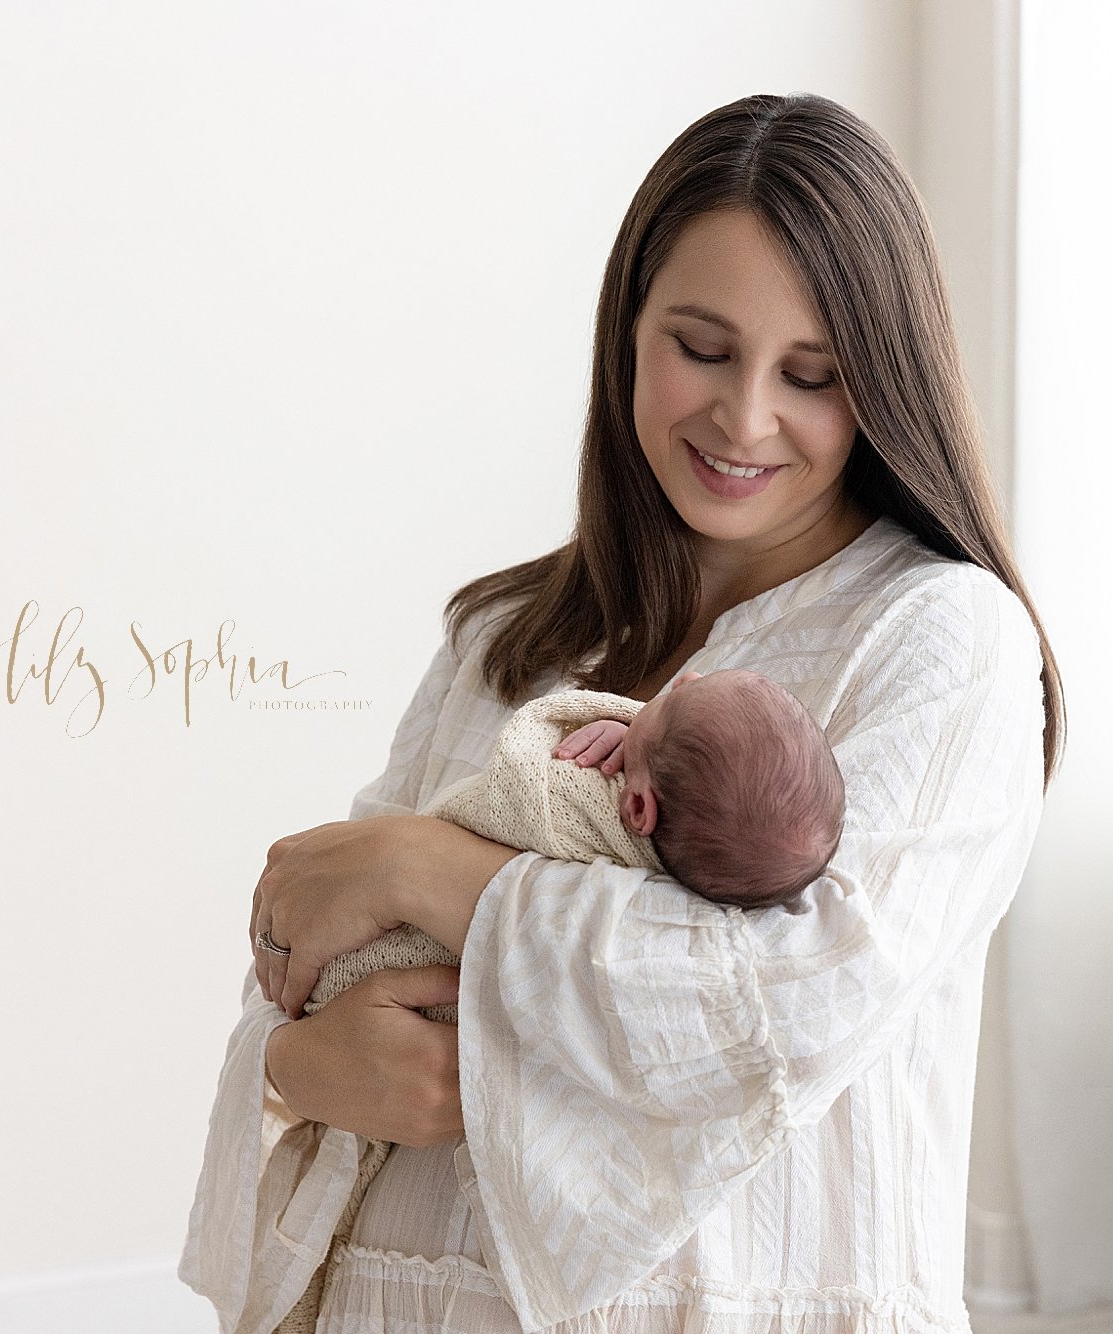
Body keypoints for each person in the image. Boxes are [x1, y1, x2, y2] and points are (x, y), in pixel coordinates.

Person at [180, 90, 1067, 1334]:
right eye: (700, 347)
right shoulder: (506, 636)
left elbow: (784, 1007)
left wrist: (433, 868)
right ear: (626, 331)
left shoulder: (940, 638)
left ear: (883, 386)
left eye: (811, 375)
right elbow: (308, 954)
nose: (744, 416)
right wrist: (290, 1065)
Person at [259, 668, 841, 1334]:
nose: (683, 679)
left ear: (640, 811)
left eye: (671, 702)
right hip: (373, 1287)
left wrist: (411, 862)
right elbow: (323, 893)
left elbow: (738, 998)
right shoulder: (494, 632)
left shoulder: (588, 802)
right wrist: (292, 1059)